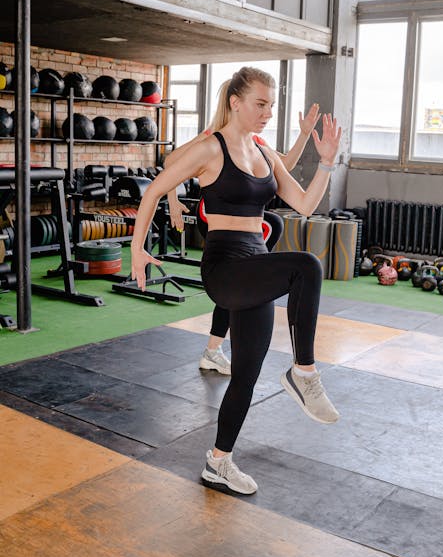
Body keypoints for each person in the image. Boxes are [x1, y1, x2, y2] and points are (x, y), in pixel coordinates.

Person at [131, 66, 341, 496]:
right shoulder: (211, 148)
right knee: (307, 266)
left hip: (254, 265)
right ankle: (304, 373)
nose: (267, 112)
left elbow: (303, 204)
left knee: (245, 373)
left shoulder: (265, 153)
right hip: (225, 268)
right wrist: (137, 249)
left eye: (271, 105)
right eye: (260, 104)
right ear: (235, 102)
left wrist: (326, 163)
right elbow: (154, 189)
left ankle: (218, 462)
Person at [166, 100, 322, 375]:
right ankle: (215, 345)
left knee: (273, 224)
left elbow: (282, 164)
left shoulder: (254, 140)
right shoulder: (214, 136)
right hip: (215, 217)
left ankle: (214, 347)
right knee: (271, 227)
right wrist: (172, 198)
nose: (265, 113)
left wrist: (305, 134)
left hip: (245, 229)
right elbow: (170, 162)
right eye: (258, 104)